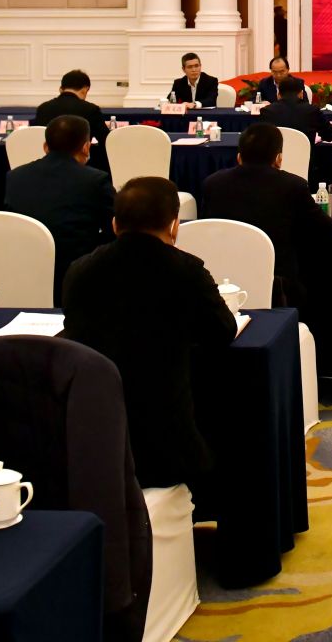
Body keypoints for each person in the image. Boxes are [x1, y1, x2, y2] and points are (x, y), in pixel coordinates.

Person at [61, 178, 237, 489]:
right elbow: (222, 332)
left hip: (95, 433)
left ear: (115, 224)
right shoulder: (186, 270)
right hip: (167, 440)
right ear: (174, 226)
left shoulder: (80, 269)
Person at [197, 123, 332, 307]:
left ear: (239, 157)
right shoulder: (293, 185)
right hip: (277, 285)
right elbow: (325, 228)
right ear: (278, 158)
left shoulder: (212, 183)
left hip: (222, 281)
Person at [3, 115, 116, 303]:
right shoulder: (94, 180)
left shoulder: (15, 177)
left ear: (45, 147)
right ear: (86, 147)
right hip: (78, 274)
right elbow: (114, 226)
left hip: (26, 265)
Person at [32, 69, 110, 166]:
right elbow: (107, 141)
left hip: (47, 166)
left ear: (61, 89)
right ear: (85, 89)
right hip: (80, 168)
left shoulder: (43, 108)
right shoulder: (91, 110)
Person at [269, 75, 332, 143]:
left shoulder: (267, 111)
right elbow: (330, 135)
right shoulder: (312, 110)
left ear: (278, 95)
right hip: (306, 151)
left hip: (276, 151)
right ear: (301, 94)